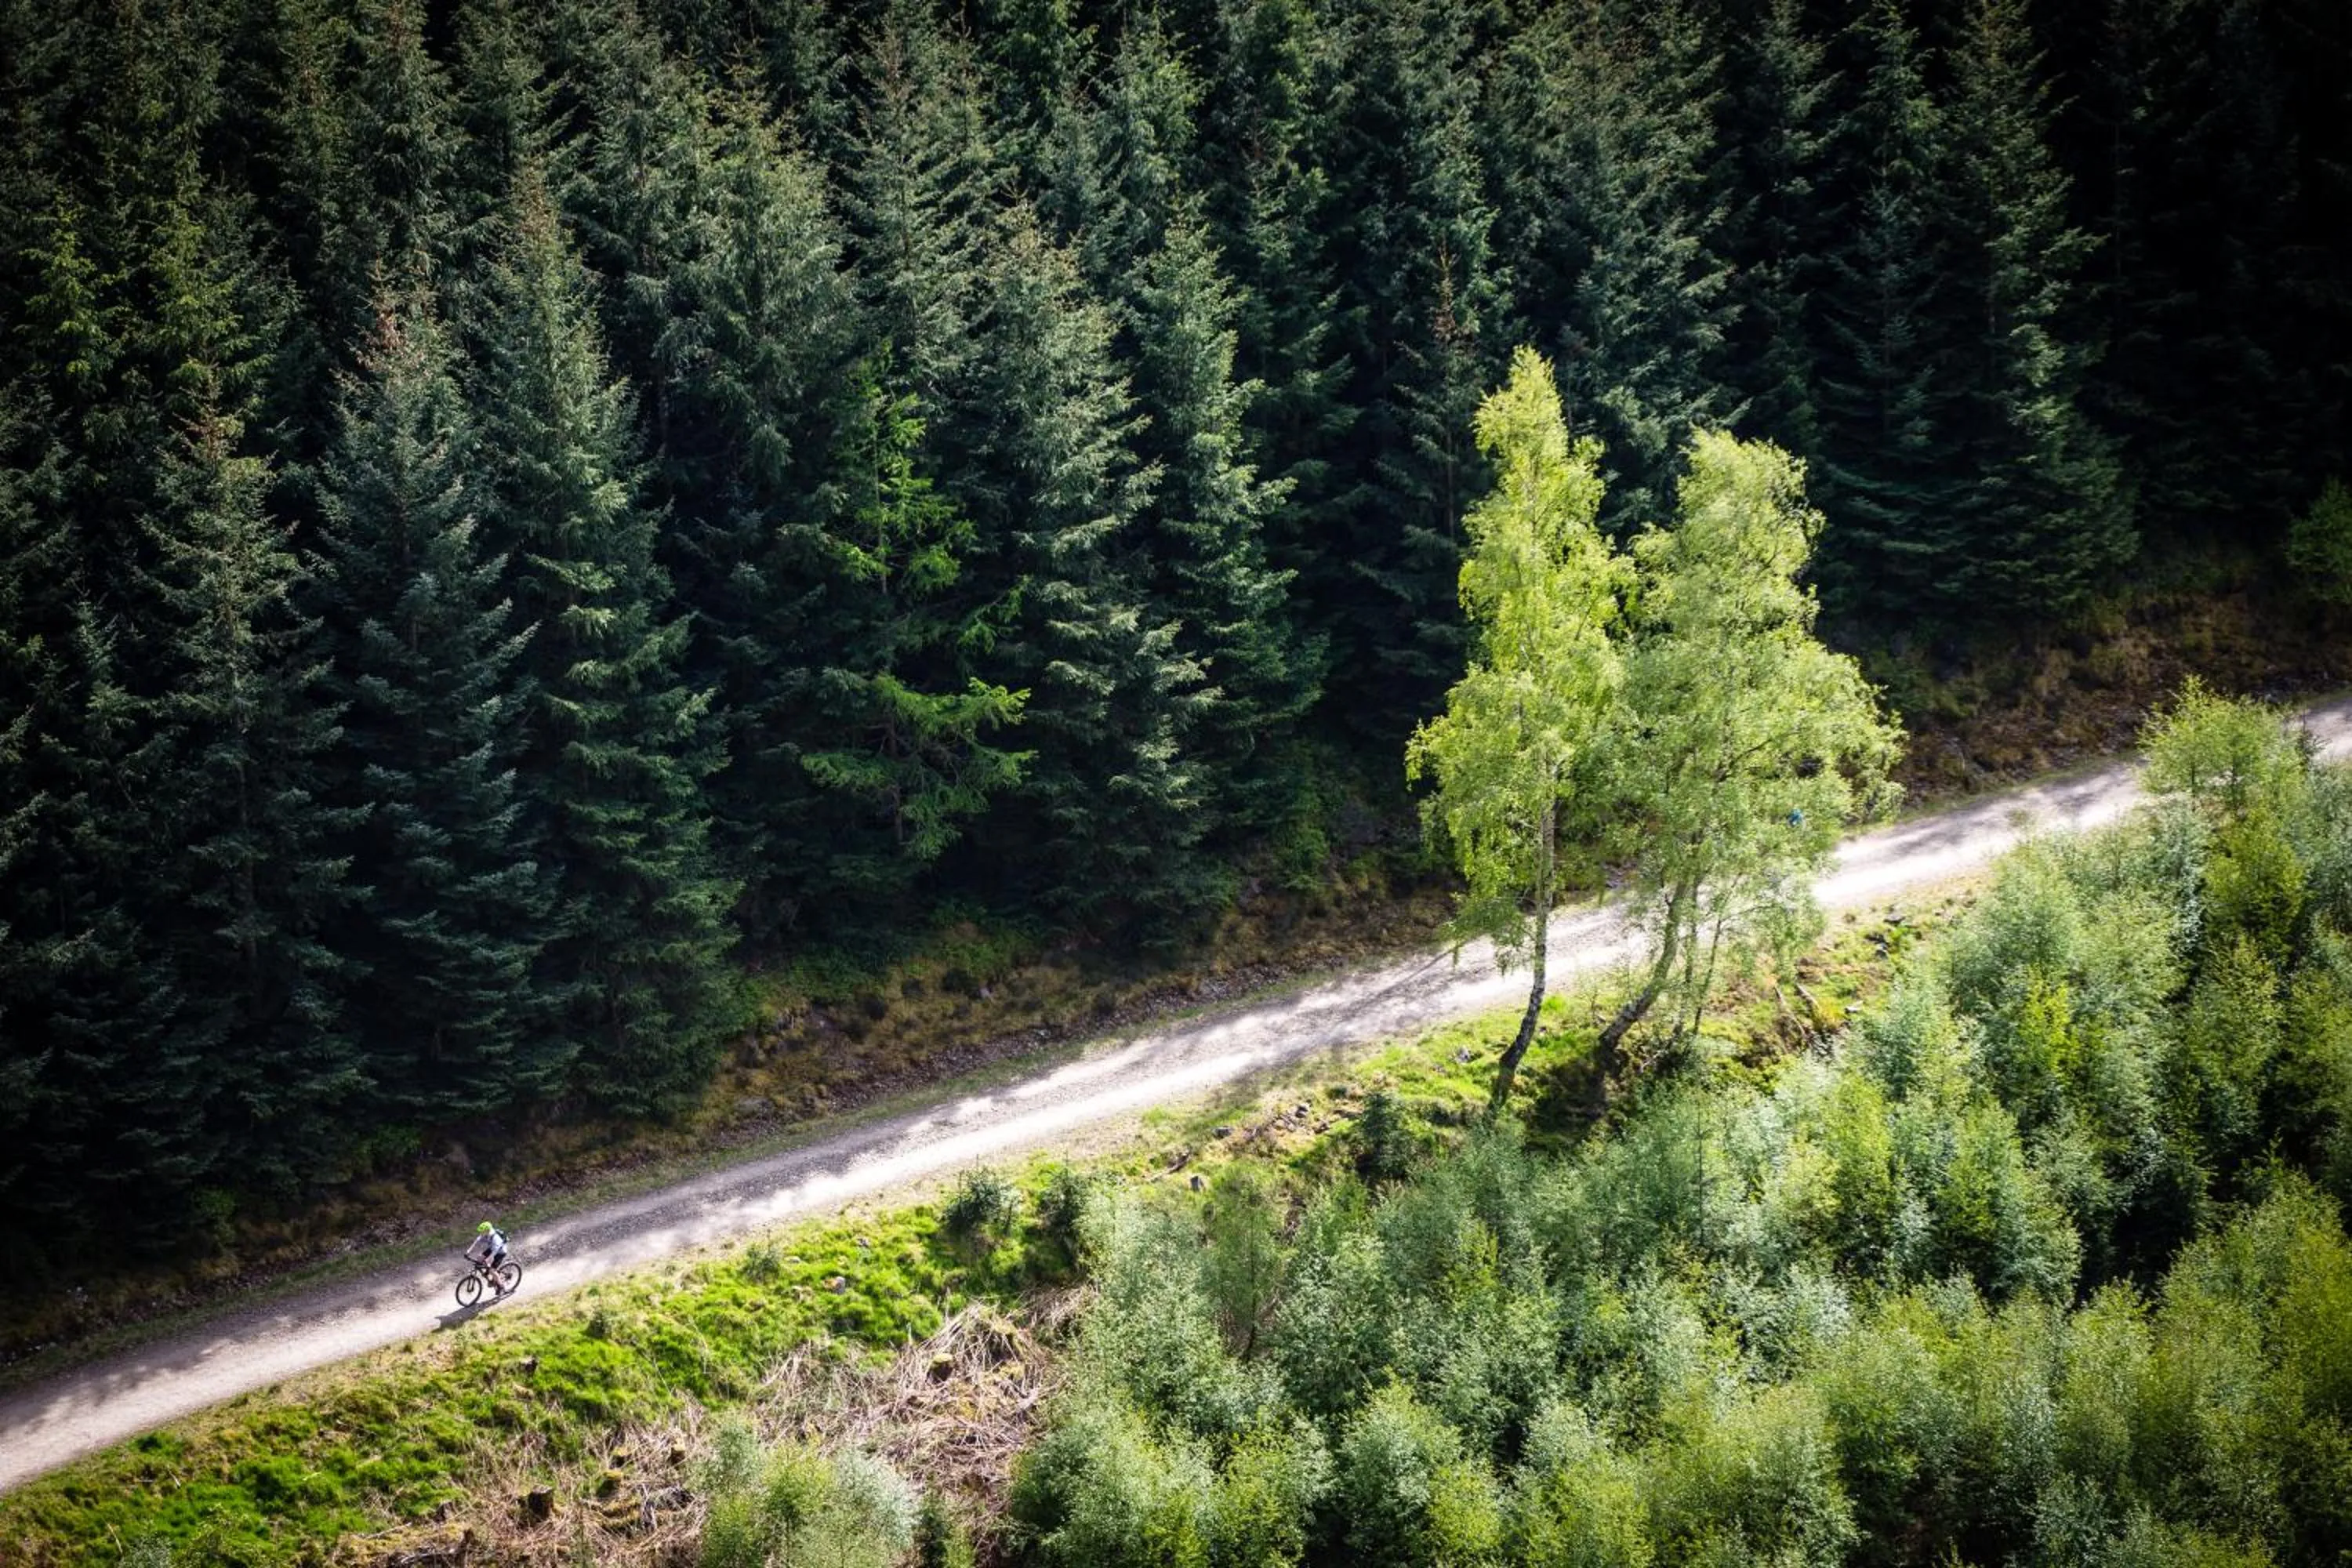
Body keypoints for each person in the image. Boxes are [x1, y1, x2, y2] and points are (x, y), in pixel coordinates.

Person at [466, 1221, 510, 1290]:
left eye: (482, 1231)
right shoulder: (485, 1234)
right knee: (479, 1259)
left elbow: (495, 1251)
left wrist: (489, 1259)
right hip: (492, 1248)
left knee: (492, 1270)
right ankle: (488, 1271)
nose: (481, 1233)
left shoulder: (496, 1238)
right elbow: (476, 1241)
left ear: (487, 1231)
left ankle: (501, 1286)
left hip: (500, 1252)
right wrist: (469, 1251)